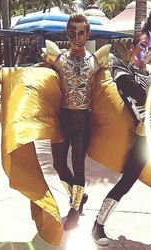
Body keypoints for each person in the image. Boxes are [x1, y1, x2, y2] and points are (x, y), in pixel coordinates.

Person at [92, 0, 151, 246]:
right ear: (134, 46)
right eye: (143, 45)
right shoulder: (122, 73)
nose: (146, 51)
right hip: (144, 136)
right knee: (128, 179)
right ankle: (98, 226)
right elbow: (148, 100)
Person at [42, 13, 111, 231]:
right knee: (58, 163)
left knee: (79, 164)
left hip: (83, 117)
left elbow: (111, 85)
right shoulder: (57, 58)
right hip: (62, 115)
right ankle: (79, 196)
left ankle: (74, 210)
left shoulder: (97, 60)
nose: (77, 37)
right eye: (73, 32)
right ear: (67, 33)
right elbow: (36, 76)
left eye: (81, 32)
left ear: (88, 33)